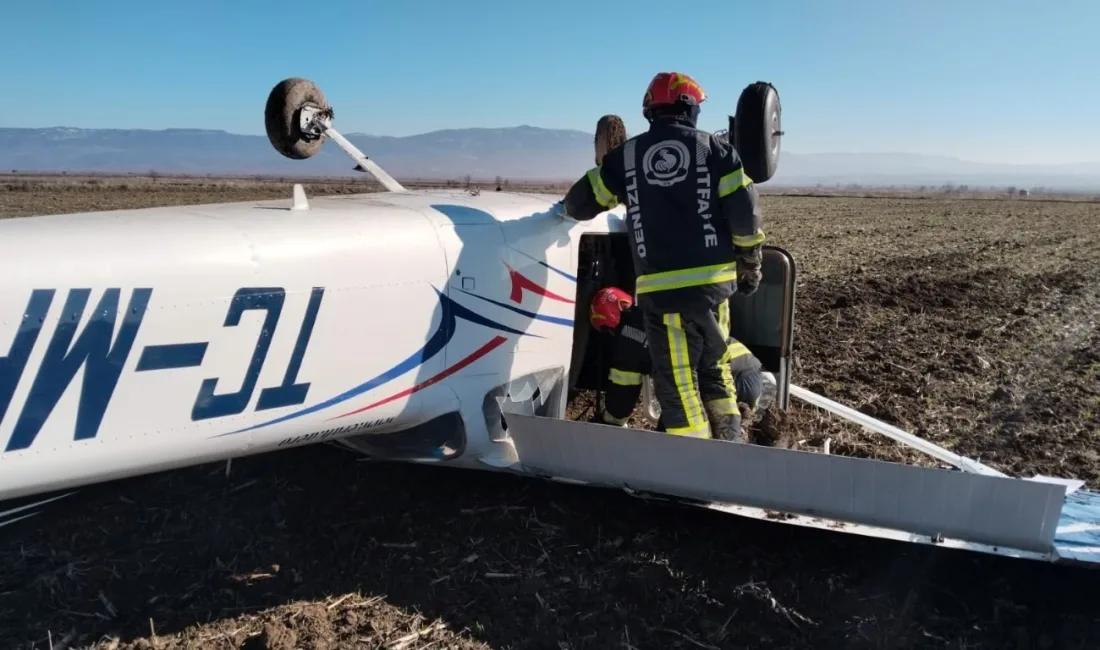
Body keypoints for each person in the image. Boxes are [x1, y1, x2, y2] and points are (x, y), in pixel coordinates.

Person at [556, 71, 766, 441]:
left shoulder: (628, 156)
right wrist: (750, 265)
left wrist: (560, 212)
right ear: (689, 109)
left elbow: (580, 201)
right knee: (715, 372)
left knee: (678, 387)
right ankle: (732, 446)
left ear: (651, 111)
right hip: (715, 293)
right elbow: (745, 212)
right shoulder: (718, 151)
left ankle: (694, 466)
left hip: (664, 296)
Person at [587, 286, 765, 439]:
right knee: (727, 441)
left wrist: (604, 422)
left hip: (719, 381)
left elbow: (621, 400)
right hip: (748, 373)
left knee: (674, 436)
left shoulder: (626, 338)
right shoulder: (651, 311)